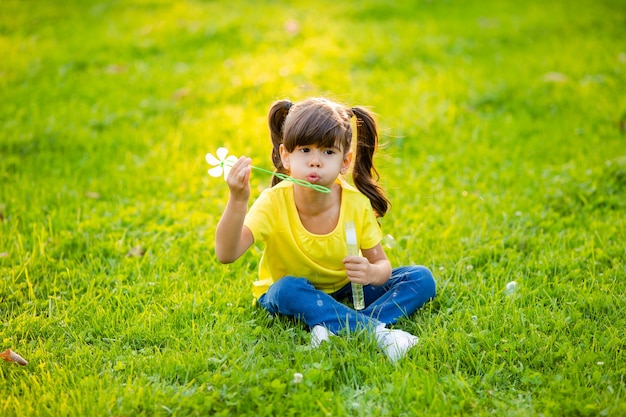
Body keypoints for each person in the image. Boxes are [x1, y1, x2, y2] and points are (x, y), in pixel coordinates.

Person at [215, 97, 436, 361]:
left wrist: (370, 272)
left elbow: (383, 267)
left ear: (345, 161)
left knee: (420, 279)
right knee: (286, 290)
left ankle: (332, 325)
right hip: (293, 292)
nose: (315, 162)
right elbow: (226, 253)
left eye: (328, 152)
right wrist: (238, 200)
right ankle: (379, 333)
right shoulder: (274, 201)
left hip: (344, 287)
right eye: (305, 150)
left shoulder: (355, 203)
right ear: (286, 155)